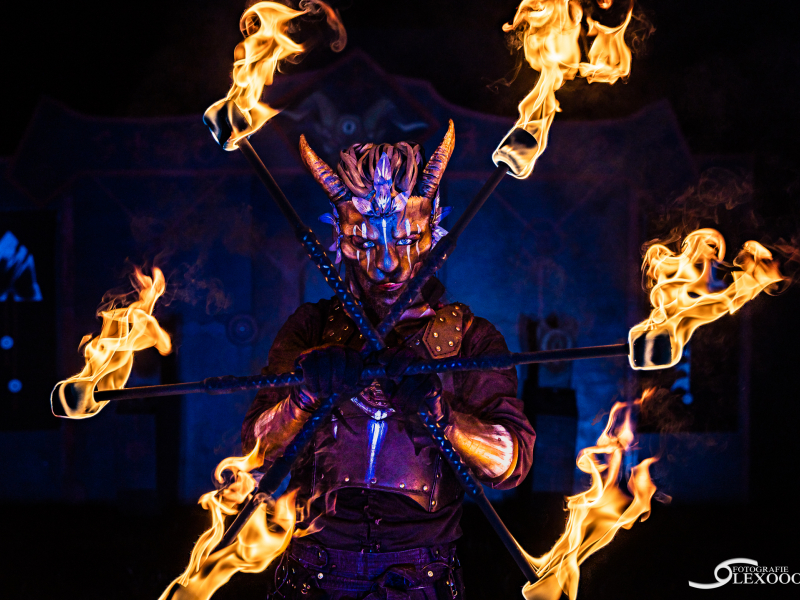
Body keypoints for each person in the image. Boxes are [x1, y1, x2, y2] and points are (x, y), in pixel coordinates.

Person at [242, 121, 535, 599]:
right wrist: (303, 398)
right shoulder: (310, 329)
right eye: (365, 243)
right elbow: (256, 452)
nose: (387, 264)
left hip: (419, 580)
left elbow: (511, 463)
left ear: (434, 233)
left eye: (406, 240)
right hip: (314, 577)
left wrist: (444, 417)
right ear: (339, 239)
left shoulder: (471, 340)